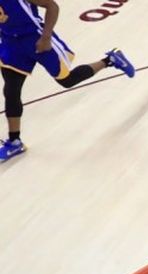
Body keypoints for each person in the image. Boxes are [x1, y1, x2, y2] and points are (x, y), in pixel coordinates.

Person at [0, 0, 135, 162]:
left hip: (36, 37)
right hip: (11, 42)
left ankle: (110, 60)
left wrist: (46, 37)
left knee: (67, 80)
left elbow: (52, 6)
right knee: (11, 90)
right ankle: (15, 141)